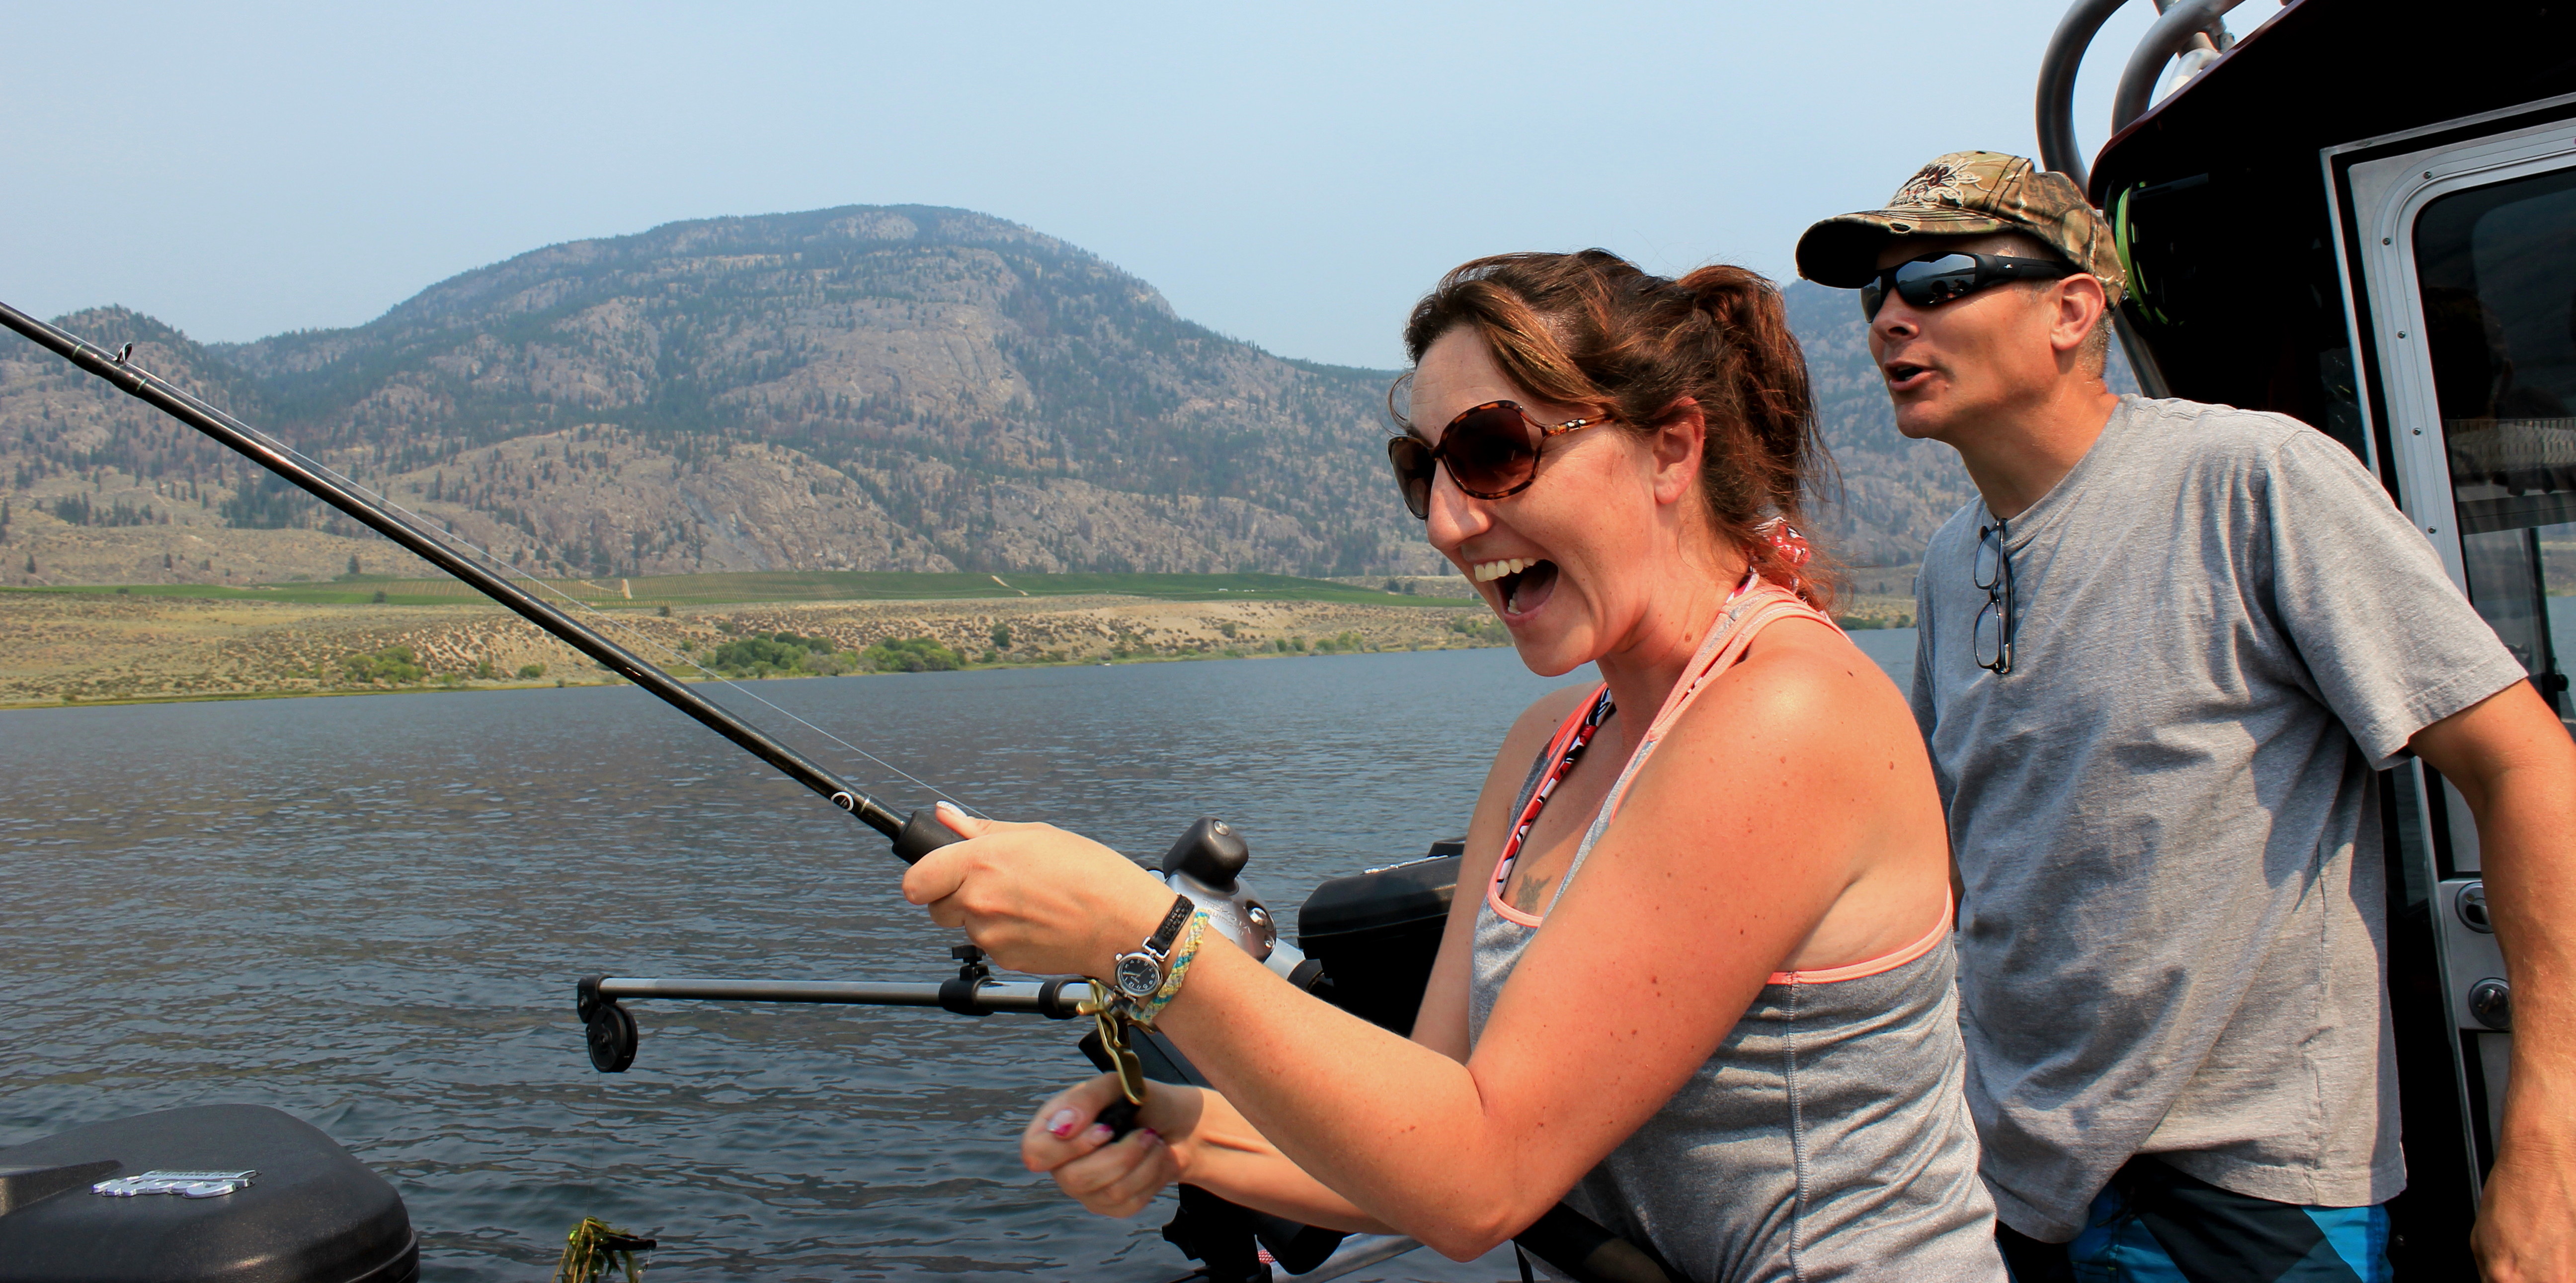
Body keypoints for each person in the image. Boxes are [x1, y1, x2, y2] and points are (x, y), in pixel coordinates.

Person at [901, 251, 2007, 1280]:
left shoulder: (1785, 714)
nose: (1443, 519)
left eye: (1492, 451)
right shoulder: (1547, 748)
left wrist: (1141, 934)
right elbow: (1438, 1125)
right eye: (1420, 469)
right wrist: (1180, 1133)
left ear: (1672, 446)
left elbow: (1483, 1178)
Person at [1794, 151, 2576, 1283]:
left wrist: (2547, 1140)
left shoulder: (2252, 480)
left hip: (2240, 1193)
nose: (1892, 322)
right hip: (2019, 1180)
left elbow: (2528, 769)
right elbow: (1956, 863)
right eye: (1878, 294)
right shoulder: (1949, 562)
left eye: (1943, 280)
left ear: (2073, 308)